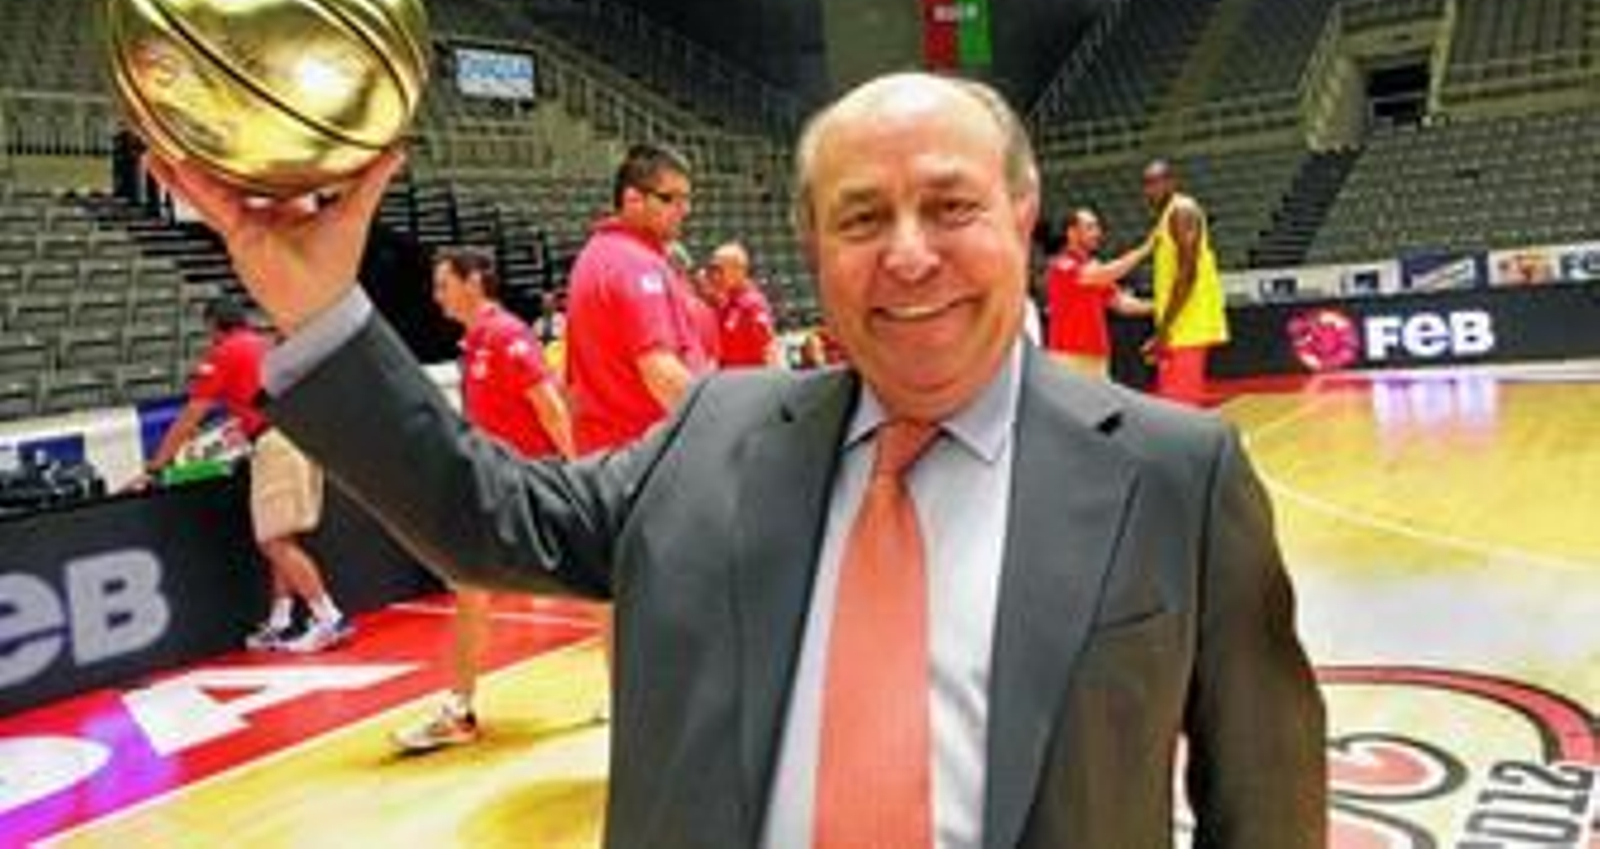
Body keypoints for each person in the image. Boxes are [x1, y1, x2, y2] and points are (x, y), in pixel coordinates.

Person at [150, 71, 1327, 848]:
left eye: (950, 206)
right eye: (862, 219)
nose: (908, 256)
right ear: (812, 244)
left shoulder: (1179, 474)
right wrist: (319, 309)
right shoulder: (715, 431)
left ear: (1021, 213)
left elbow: (1263, 809)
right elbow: (484, 512)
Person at [392, 247, 576, 753]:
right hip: (497, 484)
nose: (436, 295)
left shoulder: (506, 335)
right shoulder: (475, 342)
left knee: (597, 587)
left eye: (444, 284)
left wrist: (577, 472)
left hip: (534, 484)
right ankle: (459, 709)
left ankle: (639, 691)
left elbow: (550, 407)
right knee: (470, 589)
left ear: (474, 282)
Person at [129, 295, 351, 654]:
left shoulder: (224, 353)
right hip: (301, 436)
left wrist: (156, 466)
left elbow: (191, 417)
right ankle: (280, 624)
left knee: (273, 542)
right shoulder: (265, 344)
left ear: (214, 328)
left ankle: (330, 618)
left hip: (276, 442)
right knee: (282, 539)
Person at [564, 143, 714, 454]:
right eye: (669, 198)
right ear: (633, 199)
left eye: (687, 199)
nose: (685, 209)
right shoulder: (637, 264)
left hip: (608, 460)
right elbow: (661, 372)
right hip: (650, 458)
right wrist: (722, 434)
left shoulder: (593, 255)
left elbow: (572, 387)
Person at [1141, 159, 1230, 406]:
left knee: (1182, 406)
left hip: (1187, 325)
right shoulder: (1168, 214)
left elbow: (1187, 273)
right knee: (1174, 404)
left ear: (1172, 182)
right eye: (1147, 184)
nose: (1150, 190)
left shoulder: (1182, 210)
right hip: (1177, 327)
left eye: (1157, 182)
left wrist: (1163, 329)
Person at [1045, 206, 1153, 377]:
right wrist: (1144, 250)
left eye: (1097, 227)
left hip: (1097, 356)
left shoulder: (1093, 266)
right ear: (1071, 233)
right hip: (1068, 357)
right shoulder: (1061, 265)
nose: (1097, 233)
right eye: (1090, 227)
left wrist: (1160, 306)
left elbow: (1122, 303)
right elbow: (1103, 274)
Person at [707, 241, 780, 368]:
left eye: (719, 269)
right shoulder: (724, 304)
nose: (715, 276)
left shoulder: (753, 304)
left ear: (738, 269)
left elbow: (768, 350)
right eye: (713, 269)